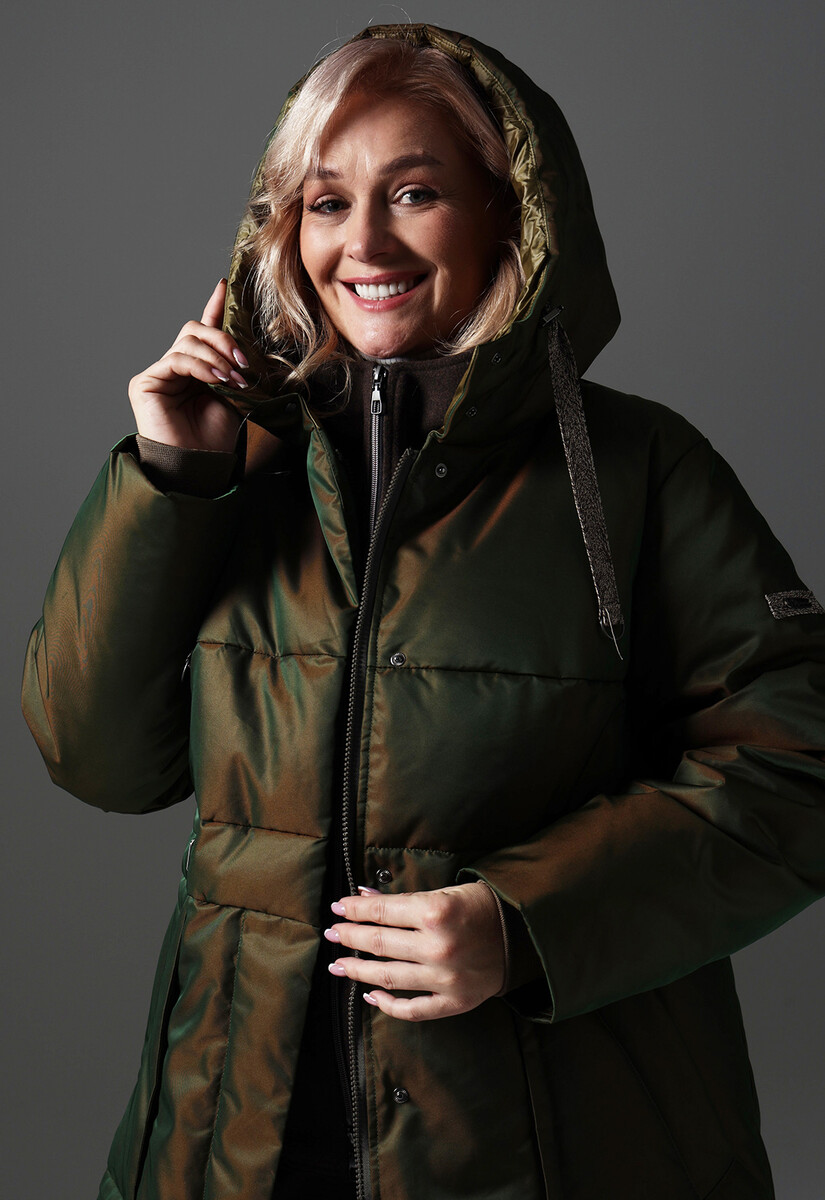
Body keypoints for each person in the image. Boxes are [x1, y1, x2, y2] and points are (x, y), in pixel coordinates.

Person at [21, 22, 825, 1200]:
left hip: (547, 1149)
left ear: (511, 213)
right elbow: (99, 758)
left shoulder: (638, 472)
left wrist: (525, 923)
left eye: (414, 192)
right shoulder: (236, 466)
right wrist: (170, 485)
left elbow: (799, 762)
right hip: (234, 1138)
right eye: (326, 202)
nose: (364, 242)